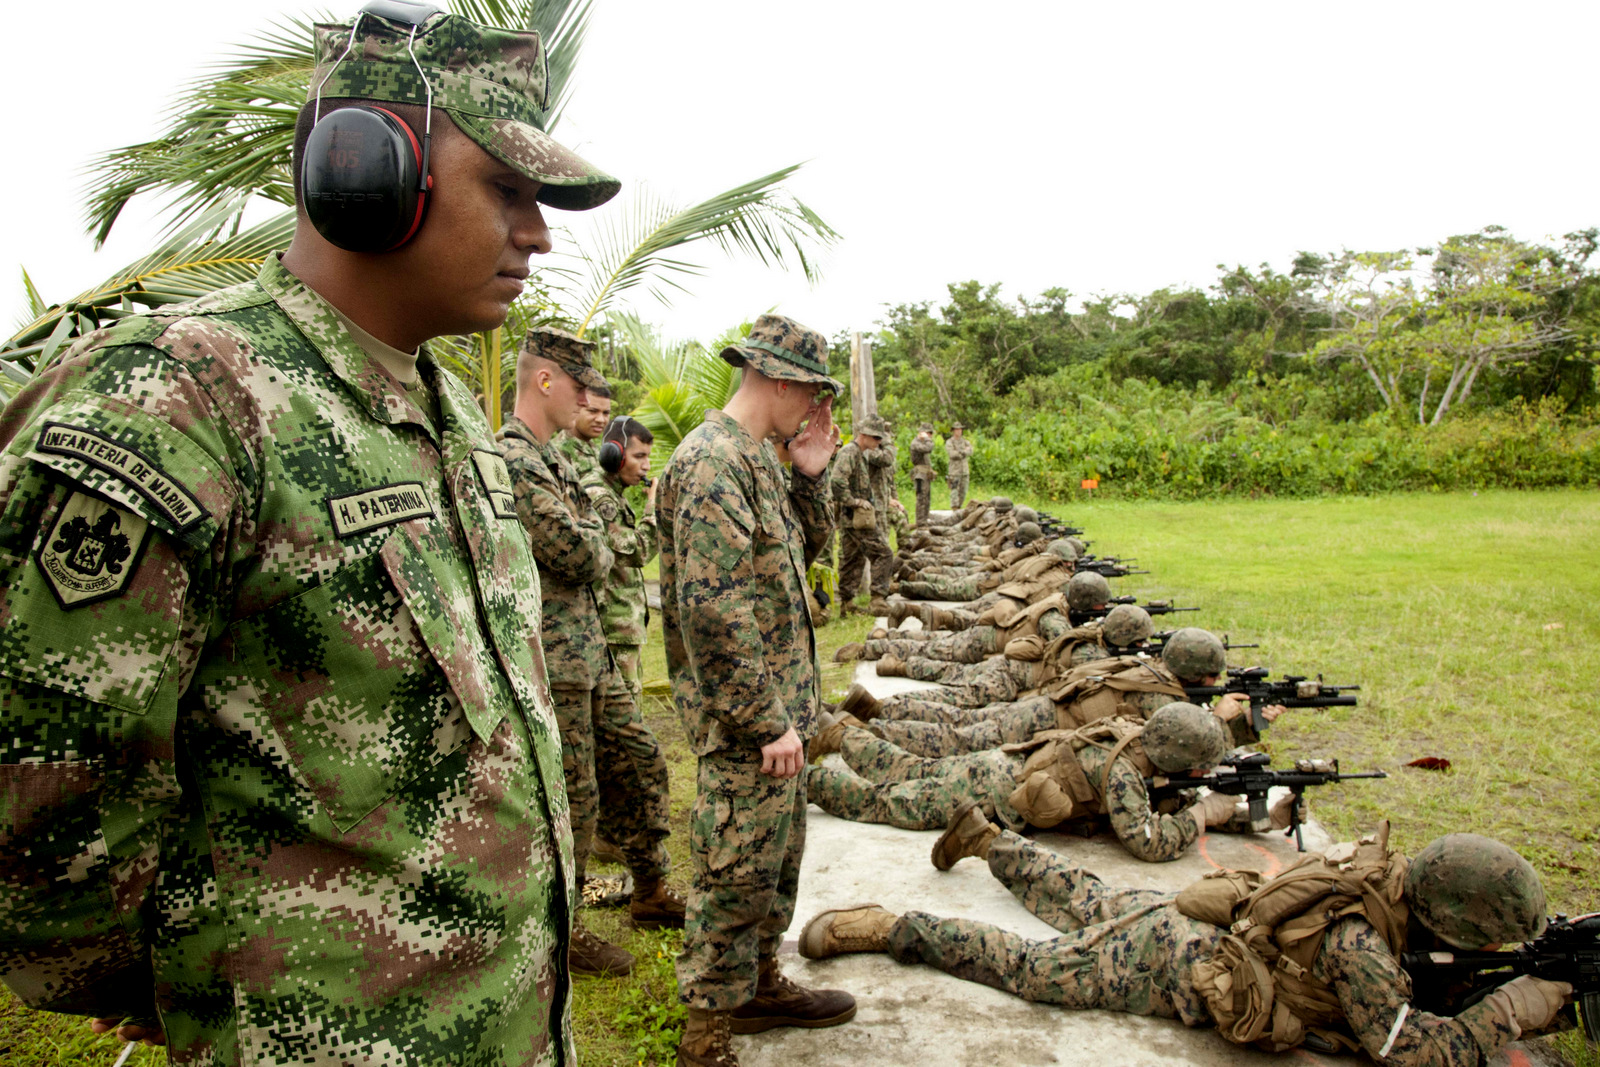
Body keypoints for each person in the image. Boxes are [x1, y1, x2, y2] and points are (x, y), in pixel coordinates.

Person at [0, 7, 619, 1062]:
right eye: (507, 191)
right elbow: (41, 772)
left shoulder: (450, 416)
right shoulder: (182, 398)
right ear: (368, 171)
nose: (538, 234)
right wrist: (178, 975)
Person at [798, 831, 1573, 1067]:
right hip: (1176, 958)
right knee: (1035, 969)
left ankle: (995, 839)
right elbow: (1410, 1053)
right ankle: (894, 925)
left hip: (1207, 920)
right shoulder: (1362, 942)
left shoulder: (1388, 880)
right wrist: (1510, 1006)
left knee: (1093, 898)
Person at [656, 314, 855, 1066]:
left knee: (775, 866)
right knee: (733, 874)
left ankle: (760, 984)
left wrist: (810, 474)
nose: (815, 408)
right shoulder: (712, 460)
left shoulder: (759, 458)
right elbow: (714, 606)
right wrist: (763, 720)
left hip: (781, 714)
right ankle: (707, 1033)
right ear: (775, 378)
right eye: (810, 392)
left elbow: (807, 554)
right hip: (750, 723)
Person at [499, 330, 685, 977]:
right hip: (554, 656)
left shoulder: (557, 461)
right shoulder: (514, 460)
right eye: (581, 387)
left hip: (591, 650)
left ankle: (652, 886)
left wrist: (595, 540)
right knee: (574, 799)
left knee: (641, 757)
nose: (590, 402)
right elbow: (585, 552)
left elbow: (599, 544)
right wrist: (595, 540)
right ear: (546, 382)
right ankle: (567, 931)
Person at [806, 703, 1285, 863]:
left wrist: (1243, 818)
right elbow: (1147, 841)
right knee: (887, 802)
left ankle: (842, 732)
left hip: (1001, 767)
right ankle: (806, 781)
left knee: (910, 770)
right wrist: (1205, 812)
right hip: (988, 790)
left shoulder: (1139, 738)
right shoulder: (1123, 776)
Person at [832, 413, 896, 614]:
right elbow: (836, 481)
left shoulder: (859, 453)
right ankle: (877, 599)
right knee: (884, 553)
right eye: (876, 437)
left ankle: (847, 604)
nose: (878, 442)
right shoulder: (850, 452)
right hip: (857, 517)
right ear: (864, 434)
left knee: (852, 559)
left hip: (854, 519)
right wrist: (853, 502)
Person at [559, 379, 613, 480]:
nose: (601, 420)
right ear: (576, 407)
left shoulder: (597, 450)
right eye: (593, 411)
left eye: (605, 413)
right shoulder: (559, 453)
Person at [909, 422, 936, 526]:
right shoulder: (915, 443)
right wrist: (926, 439)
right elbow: (928, 448)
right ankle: (920, 522)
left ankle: (924, 520)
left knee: (927, 498)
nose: (930, 436)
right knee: (921, 498)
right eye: (928, 433)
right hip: (920, 475)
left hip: (926, 474)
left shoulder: (924, 442)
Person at [945, 421, 974, 507]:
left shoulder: (965, 442)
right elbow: (952, 454)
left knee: (963, 492)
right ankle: (954, 509)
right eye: (957, 429)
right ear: (953, 431)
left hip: (964, 471)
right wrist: (963, 452)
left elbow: (971, 451)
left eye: (960, 429)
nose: (959, 431)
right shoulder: (950, 442)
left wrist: (962, 452)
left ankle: (959, 507)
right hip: (954, 472)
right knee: (954, 492)